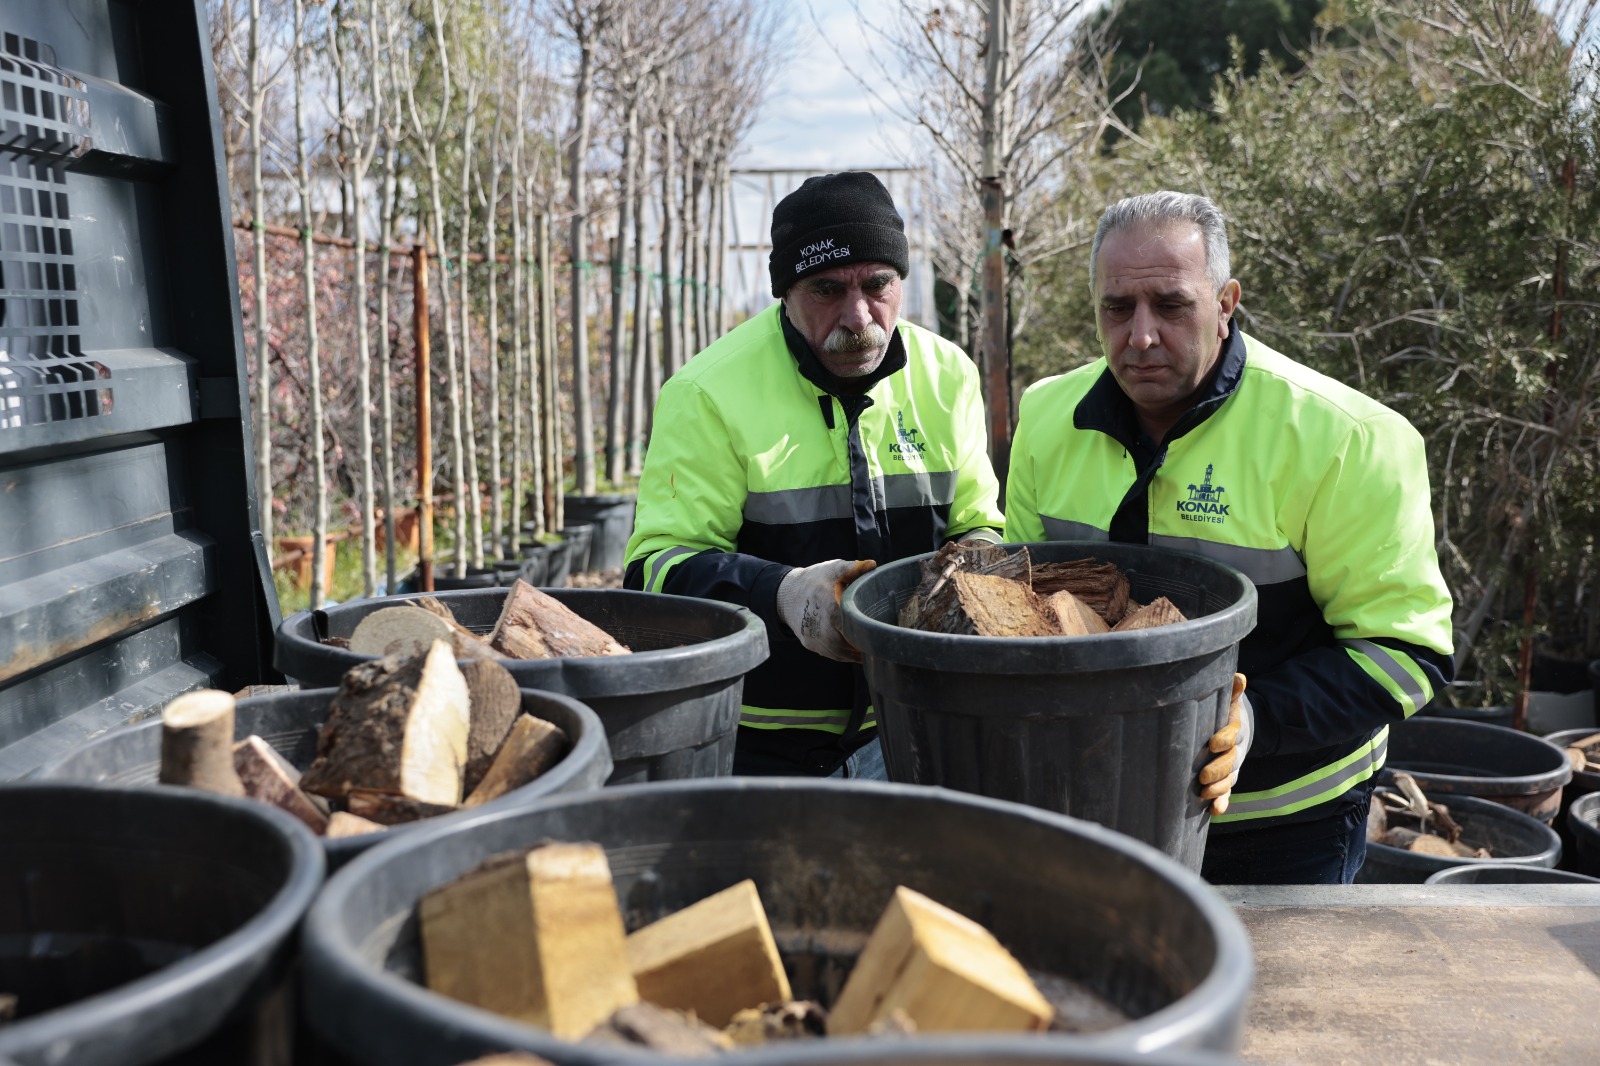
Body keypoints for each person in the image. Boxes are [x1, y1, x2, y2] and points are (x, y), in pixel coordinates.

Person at [1004, 191, 1454, 884]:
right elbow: (1019, 611)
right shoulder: (1046, 418)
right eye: (1117, 308)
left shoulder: (1346, 439)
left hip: (1284, 826)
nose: (1142, 335)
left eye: (1172, 305)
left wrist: (1253, 722)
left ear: (1225, 302)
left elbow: (1405, 652)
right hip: (1095, 809)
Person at [624, 171, 1005, 778]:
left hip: (918, 728)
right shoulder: (708, 392)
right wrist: (781, 594)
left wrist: (974, 568)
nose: (858, 316)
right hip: (758, 745)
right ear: (785, 292)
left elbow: (981, 523)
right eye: (826, 289)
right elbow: (654, 571)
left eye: (878, 285)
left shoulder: (947, 375)